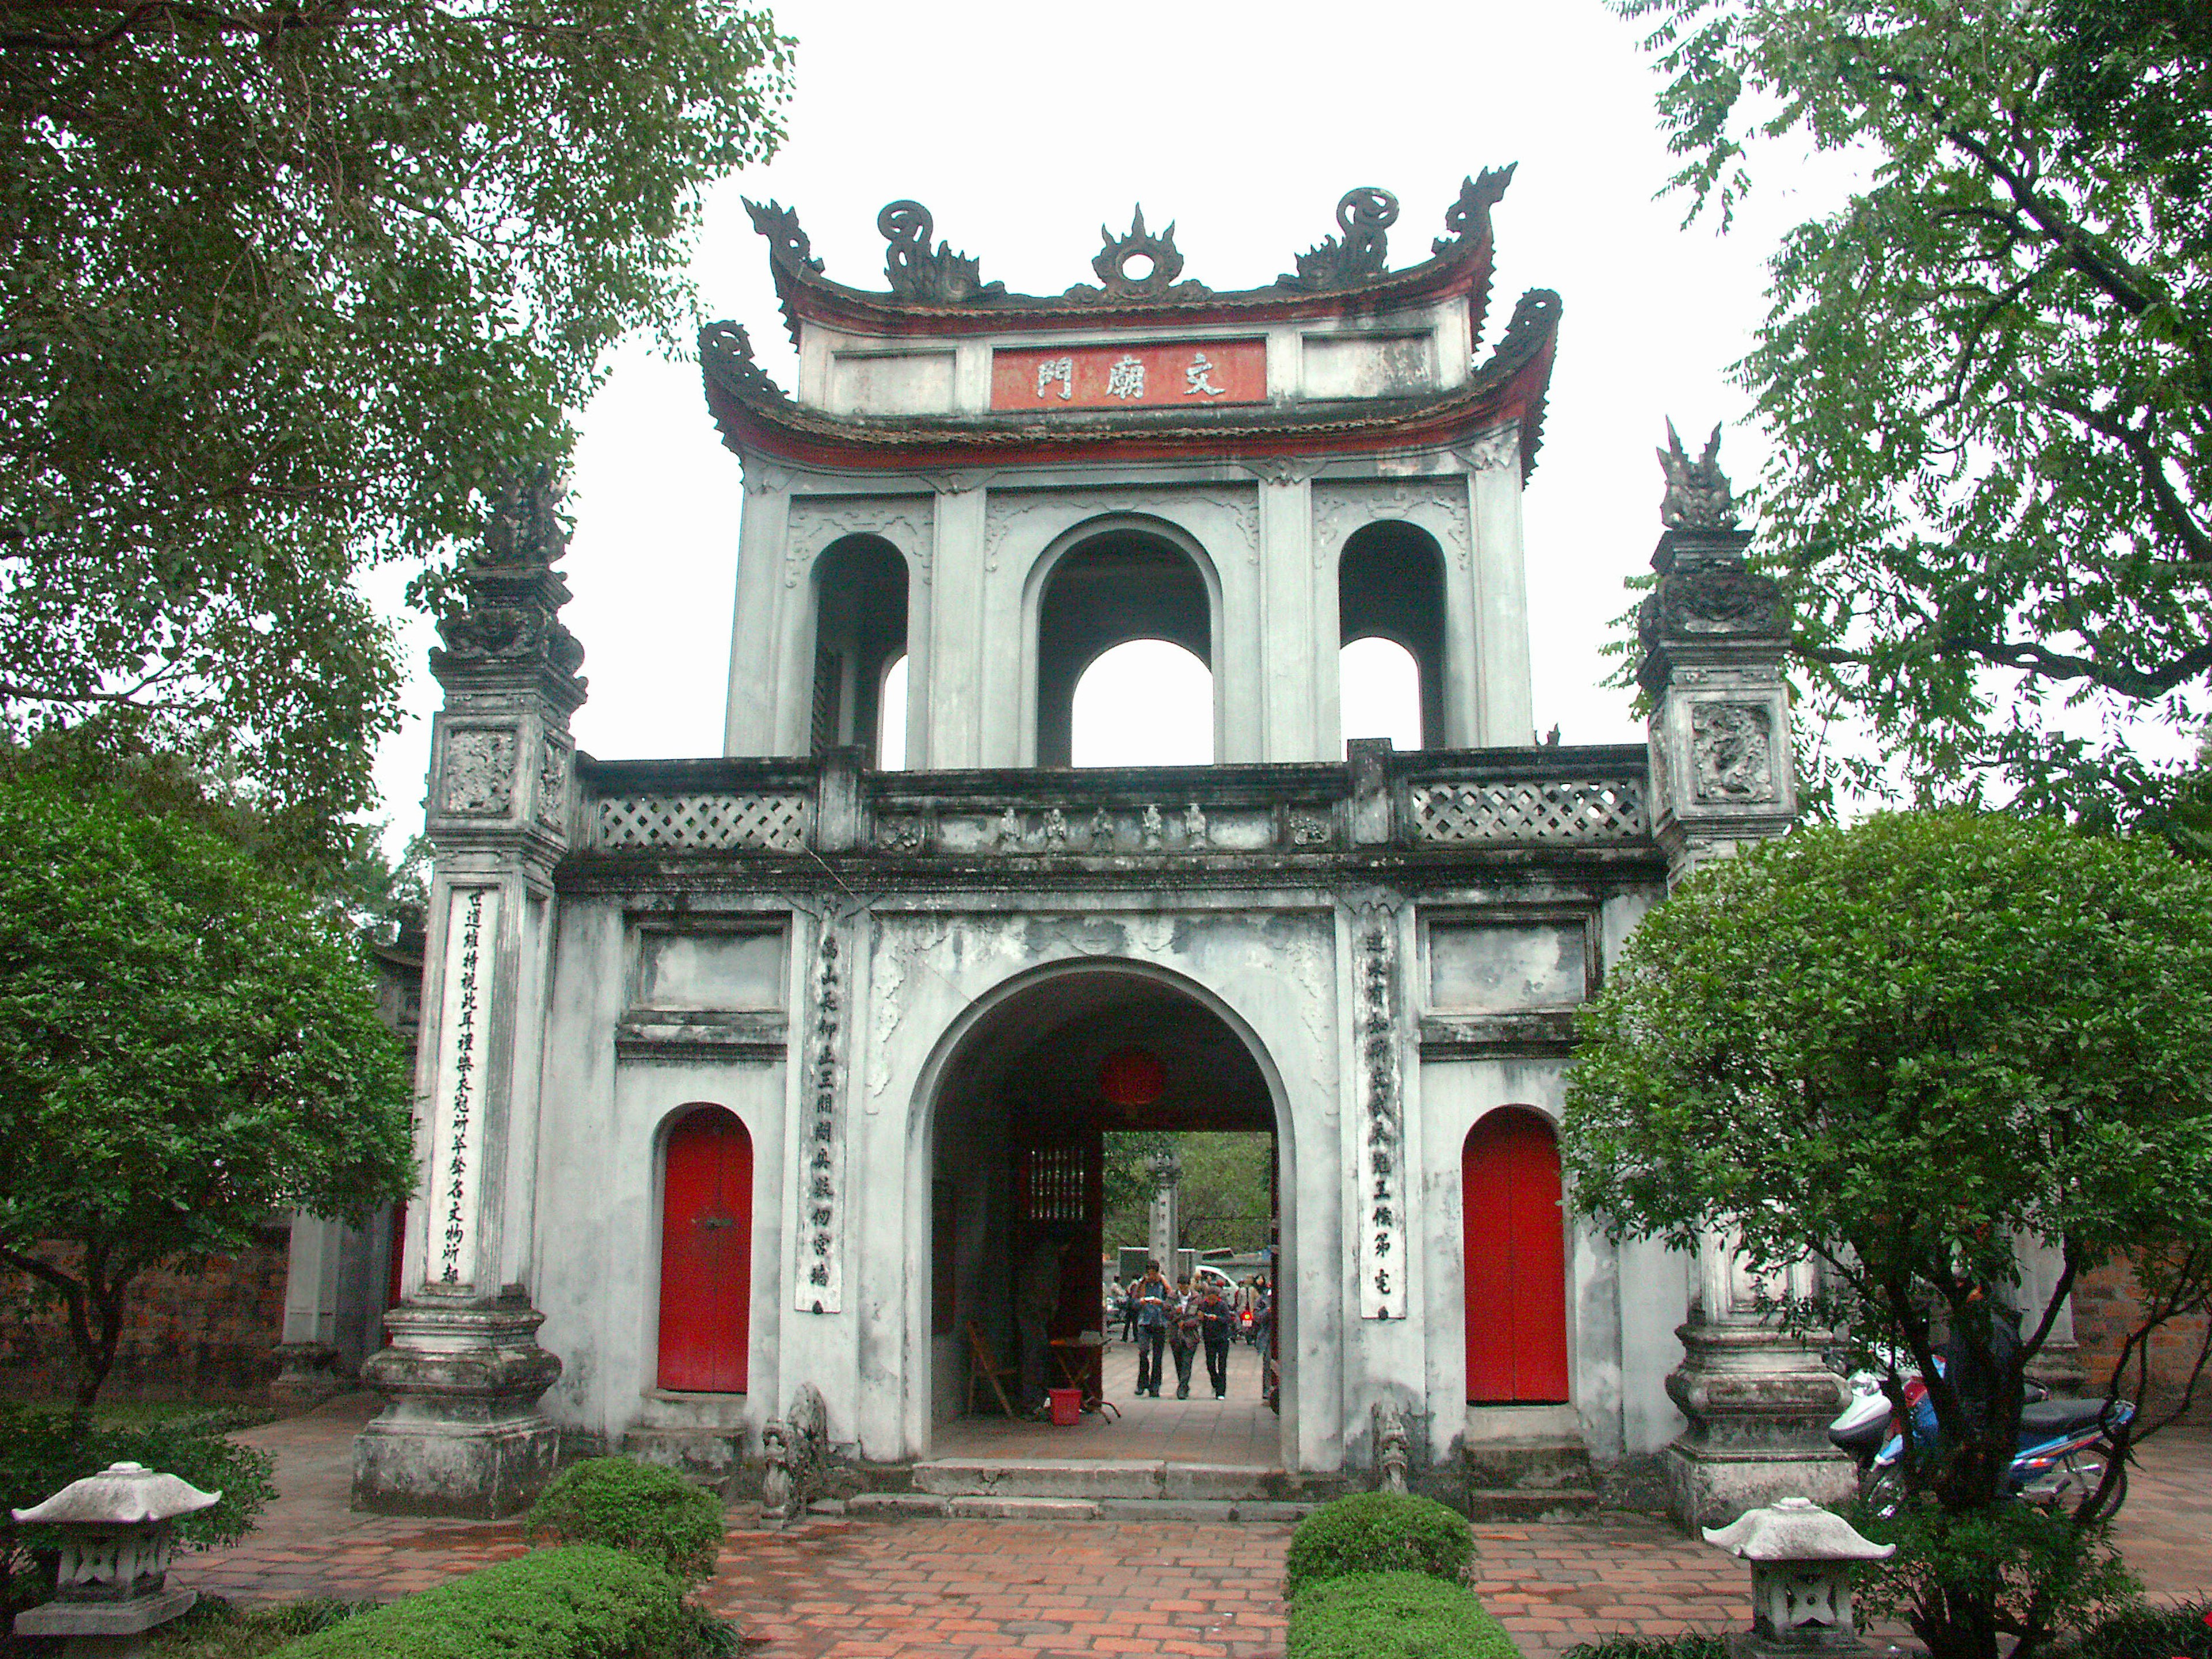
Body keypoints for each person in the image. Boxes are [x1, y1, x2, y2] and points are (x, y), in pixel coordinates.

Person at [1014, 1231, 1072, 1417]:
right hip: (1033, 1314)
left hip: (1032, 1312)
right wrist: (1049, 1309)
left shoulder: (1043, 1257)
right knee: (1035, 1355)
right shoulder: (1047, 1261)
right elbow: (1044, 1290)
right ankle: (1031, 1403)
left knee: (1037, 1354)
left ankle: (1035, 1400)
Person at [1131, 1261, 1170, 1398]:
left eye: (1154, 1273)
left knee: (1158, 1356)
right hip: (1144, 1322)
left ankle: (1155, 1386)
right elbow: (1133, 1303)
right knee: (1143, 1352)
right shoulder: (1141, 1285)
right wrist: (1140, 1302)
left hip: (1159, 1322)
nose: (1152, 1276)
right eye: (1150, 1274)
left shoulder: (1164, 1286)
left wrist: (1162, 1303)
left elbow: (1170, 1303)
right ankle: (1142, 1383)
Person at [1195, 1279, 1233, 1399]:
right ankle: (1215, 1382)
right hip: (1209, 1338)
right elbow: (1198, 1318)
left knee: (1222, 1365)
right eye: (1209, 1299)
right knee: (1210, 1364)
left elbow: (1227, 1319)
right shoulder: (1203, 1305)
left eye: (1213, 1299)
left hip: (1222, 1338)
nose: (1211, 1302)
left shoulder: (1223, 1306)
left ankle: (1221, 1391)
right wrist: (1201, 1317)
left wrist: (1217, 1318)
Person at [1167, 1276, 1202, 1399]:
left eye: (1185, 1286)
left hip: (1191, 1336)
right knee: (1179, 1362)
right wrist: (1175, 1313)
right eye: (1180, 1286)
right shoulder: (1172, 1297)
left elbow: (1199, 1317)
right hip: (1176, 1335)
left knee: (1187, 1362)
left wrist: (1187, 1324)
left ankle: (1182, 1388)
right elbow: (1167, 1314)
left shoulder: (1196, 1298)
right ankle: (1184, 1385)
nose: (1183, 1289)